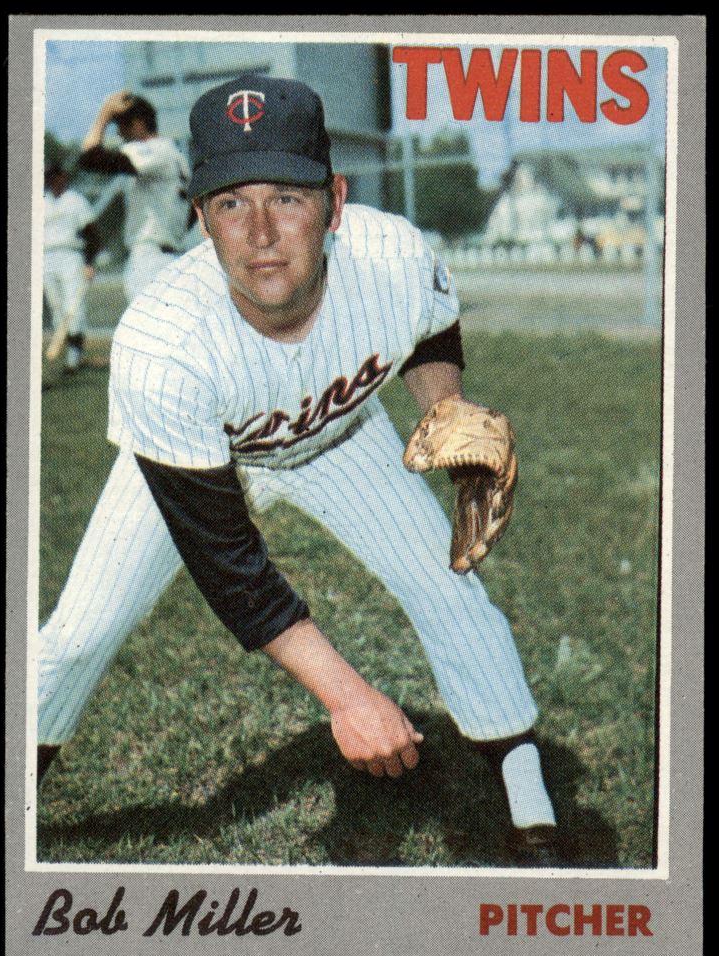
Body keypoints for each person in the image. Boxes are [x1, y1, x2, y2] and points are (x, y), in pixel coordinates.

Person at [38, 74, 560, 867]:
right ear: (199, 218)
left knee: (448, 585)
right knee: (78, 635)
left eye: (286, 197)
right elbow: (231, 565)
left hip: (340, 440)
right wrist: (348, 697)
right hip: (192, 465)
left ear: (336, 202)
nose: (260, 232)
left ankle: (531, 805)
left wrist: (445, 409)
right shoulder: (161, 342)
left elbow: (429, 326)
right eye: (230, 203)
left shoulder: (390, 254)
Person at [78, 90, 192, 302]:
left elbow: (89, 157)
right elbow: (191, 214)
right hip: (173, 255)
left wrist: (105, 114)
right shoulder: (176, 155)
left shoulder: (152, 150)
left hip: (150, 258)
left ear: (138, 123)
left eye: (121, 124)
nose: (119, 133)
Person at [43, 164, 99, 372]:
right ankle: (70, 352)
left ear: (63, 177)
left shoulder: (75, 201)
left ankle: (74, 358)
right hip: (46, 256)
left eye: (56, 176)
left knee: (73, 306)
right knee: (56, 306)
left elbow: (92, 233)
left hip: (71, 254)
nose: (53, 181)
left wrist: (89, 263)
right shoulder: (41, 202)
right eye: (49, 177)